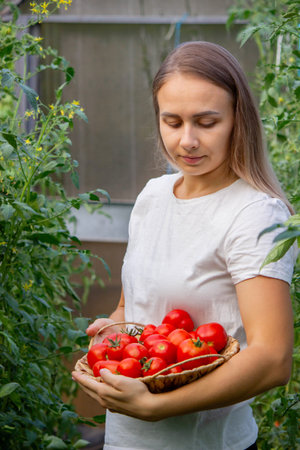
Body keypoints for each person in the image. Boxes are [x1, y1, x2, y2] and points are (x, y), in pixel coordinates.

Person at [72, 41, 296, 450]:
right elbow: (132, 307)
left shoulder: (255, 214)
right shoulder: (153, 196)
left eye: (206, 122)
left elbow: (272, 359)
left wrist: (159, 406)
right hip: (126, 440)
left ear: (238, 120)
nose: (187, 140)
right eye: (172, 121)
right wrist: (113, 332)